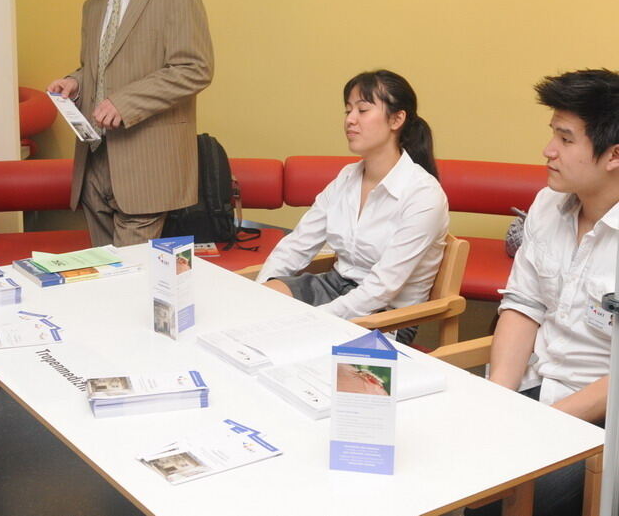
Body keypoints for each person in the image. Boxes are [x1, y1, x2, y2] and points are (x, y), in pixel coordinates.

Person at [467, 70, 619, 516]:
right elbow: (524, 305)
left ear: (614, 154)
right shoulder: (547, 205)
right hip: (536, 388)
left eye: (566, 139)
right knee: (452, 467)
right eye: (552, 134)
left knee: (499, 499)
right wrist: (498, 397)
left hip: (601, 414)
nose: (548, 151)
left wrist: (538, 424)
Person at [47, 0, 214, 247]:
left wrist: (126, 102)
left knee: (130, 277)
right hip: (94, 164)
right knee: (108, 276)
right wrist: (76, 81)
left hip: (146, 165)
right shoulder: (92, 6)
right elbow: (101, 67)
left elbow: (195, 68)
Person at [255, 70, 449, 342]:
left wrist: (314, 320)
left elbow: (382, 288)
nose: (350, 120)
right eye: (347, 111)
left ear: (397, 119)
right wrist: (259, 292)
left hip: (387, 312)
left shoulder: (424, 194)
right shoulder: (347, 177)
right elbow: (298, 244)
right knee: (264, 306)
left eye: (363, 110)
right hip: (335, 286)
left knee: (294, 342)